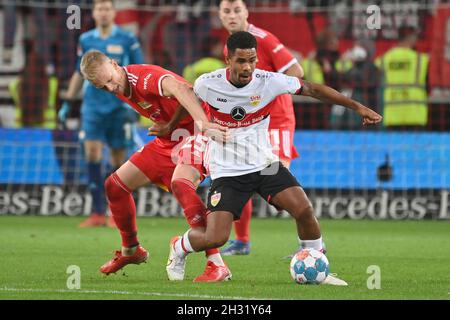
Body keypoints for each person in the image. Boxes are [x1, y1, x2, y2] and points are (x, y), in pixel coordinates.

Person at [167, 31, 382, 286]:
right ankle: (179, 247)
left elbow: (312, 89)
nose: (248, 67)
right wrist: (169, 125)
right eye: (241, 61)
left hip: (264, 165)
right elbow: (187, 97)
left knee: (304, 210)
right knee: (216, 238)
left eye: (252, 60)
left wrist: (358, 107)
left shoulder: (268, 81)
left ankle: (320, 268)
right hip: (228, 171)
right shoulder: (208, 83)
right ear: (228, 60)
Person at [79, 50, 230, 281]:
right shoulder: (118, 85)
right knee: (115, 186)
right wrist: (169, 125)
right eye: (103, 87)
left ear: (114, 63)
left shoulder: (143, 78)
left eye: (110, 80)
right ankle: (131, 251)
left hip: (196, 134)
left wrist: (202, 124)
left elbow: (186, 90)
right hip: (169, 140)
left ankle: (216, 264)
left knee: (181, 185)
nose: (110, 88)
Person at [218, 0, 305, 256]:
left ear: (247, 13)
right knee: (237, 176)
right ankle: (242, 241)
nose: (232, 15)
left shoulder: (263, 38)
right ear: (219, 16)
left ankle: (312, 246)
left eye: (237, 10)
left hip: (277, 121)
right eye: (226, 11)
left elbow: (297, 71)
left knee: (279, 183)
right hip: (249, 124)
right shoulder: (231, 45)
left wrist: (267, 88)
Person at [58, 0, 144, 227]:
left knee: (118, 159)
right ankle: (97, 212)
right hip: (93, 107)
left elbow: (137, 71)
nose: (104, 13)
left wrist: (139, 104)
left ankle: (117, 214)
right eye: (99, 9)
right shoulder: (86, 39)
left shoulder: (128, 39)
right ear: (94, 13)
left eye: (107, 8)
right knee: (92, 153)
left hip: (119, 106)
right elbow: (80, 71)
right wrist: (68, 100)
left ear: (113, 12)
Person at [375, 26, 429, 130]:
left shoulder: (384, 59)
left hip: (392, 116)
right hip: (415, 116)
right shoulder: (421, 59)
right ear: (411, 38)